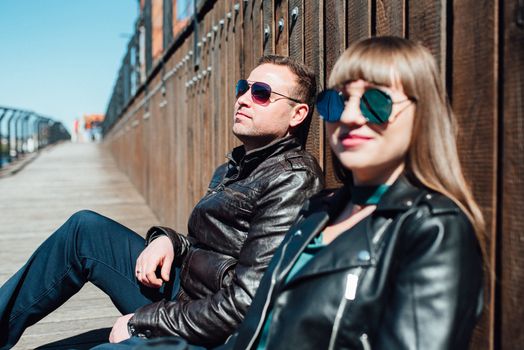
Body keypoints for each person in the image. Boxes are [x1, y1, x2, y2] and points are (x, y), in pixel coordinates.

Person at [140, 36, 486, 350]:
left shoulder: (436, 229)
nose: (349, 116)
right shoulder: (321, 210)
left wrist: (148, 323)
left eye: (375, 103)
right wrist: (171, 242)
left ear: (422, 114)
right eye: (338, 102)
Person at [0, 55, 324, 349]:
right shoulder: (236, 165)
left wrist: (142, 321)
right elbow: (210, 245)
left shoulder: (292, 179)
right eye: (244, 88)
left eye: (261, 93)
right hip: (182, 290)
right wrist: (169, 241)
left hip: (211, 326)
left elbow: (247, 303)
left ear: (297, 113)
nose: (242, 99)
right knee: (84, 229)